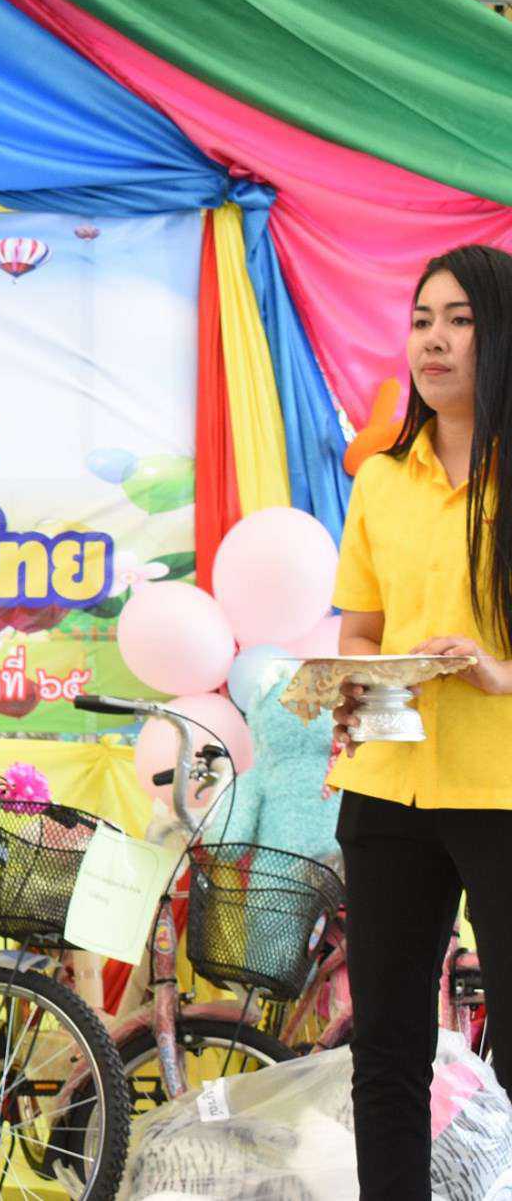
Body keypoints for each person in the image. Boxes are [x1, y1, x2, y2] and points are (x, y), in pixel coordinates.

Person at [330, 243, 512, 1201]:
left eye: (460, 320)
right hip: (387, 784)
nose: (434, 340)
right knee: (388, 1047)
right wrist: (352, 681)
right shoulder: (382, 481)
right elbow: (360, 629)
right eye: (421, 320)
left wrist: (496, 670)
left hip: (501, 783)